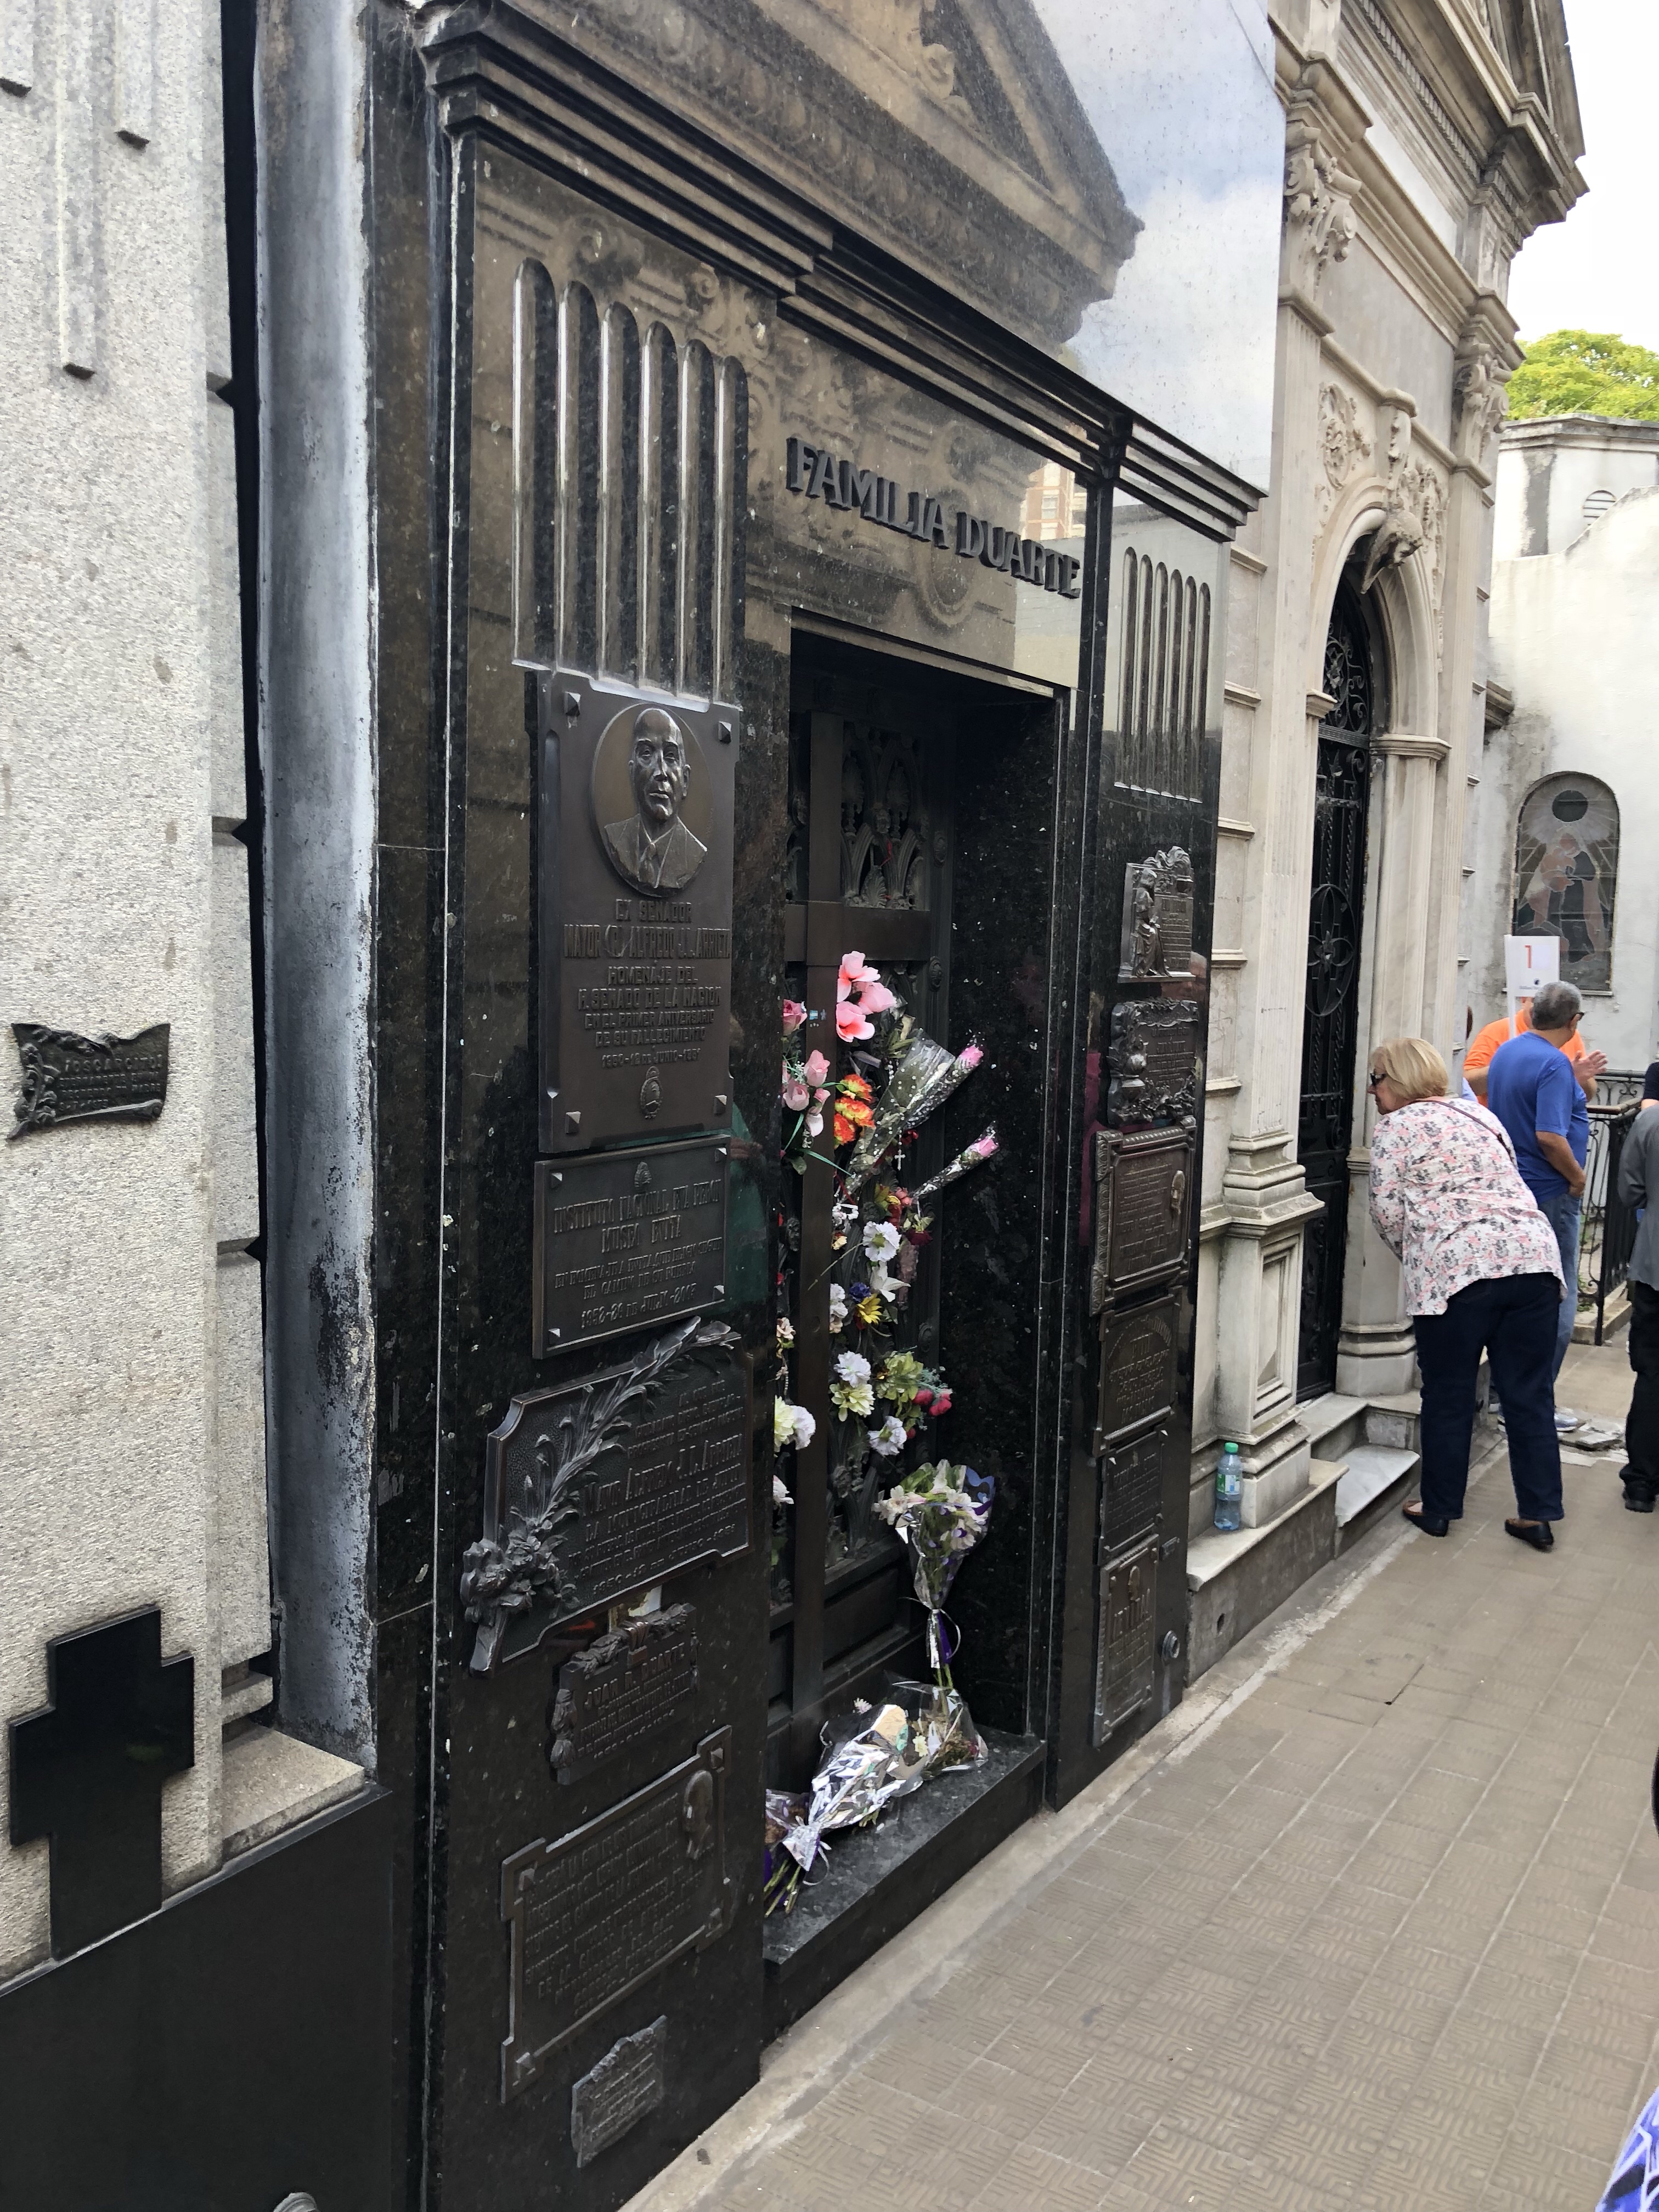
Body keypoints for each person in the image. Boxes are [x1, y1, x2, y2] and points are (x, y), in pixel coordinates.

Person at [1366, 1035, 1565, 1549]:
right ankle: (1538, 1515)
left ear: (1398, 1081)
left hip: (1456, 1270)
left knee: (1448, 1393)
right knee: (1529, 1393)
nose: (1372, 1091)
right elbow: (1510, 1178)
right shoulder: (1480, 1115)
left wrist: (1424, 1252)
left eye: (1376, 1080)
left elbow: (1386, 1213)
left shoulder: (1395, 1127)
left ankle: (1438, 1509)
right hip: (1533, 1259)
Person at [1483, 979, 1591, 1426]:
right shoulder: (1553, 1063)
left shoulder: (1507, 1052)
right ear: (1573, 1021)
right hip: (1550, 1192)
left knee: (1513, 1295)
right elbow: (1550, 1136)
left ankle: (1502, 1395)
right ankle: (1533, 1404)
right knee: (1557, 1297)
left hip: (1512, 1188)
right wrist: (1577, 1178)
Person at [601, 706, 708, 895]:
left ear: (685, 781)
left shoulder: (694, 853)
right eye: (646, 754)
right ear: (632, 774)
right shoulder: (615, 837)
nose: (661, 771)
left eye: (671, 756)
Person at [1616, 1101, 1659, 1513]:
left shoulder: (1651, 1121)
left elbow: (1629, 1191)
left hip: (1655, 1267)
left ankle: (1643, 1483)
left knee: (1652, 1374)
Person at [1464, 994, 1605, 1102]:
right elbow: (1467, 1085)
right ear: (1523, 1000)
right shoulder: (1497, 1031)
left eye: (1550, 1004)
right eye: (1537, 1001)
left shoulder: (1568, 1034)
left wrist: (1571, 1075)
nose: (1543, 1010)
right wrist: (1507, 1066)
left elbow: (1587, 1095)